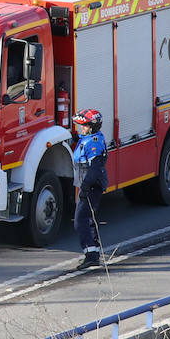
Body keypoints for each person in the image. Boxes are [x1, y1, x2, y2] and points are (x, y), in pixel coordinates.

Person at [71, 108, 108, 268]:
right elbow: (81, 140)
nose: (82, 128)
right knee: (89, 219)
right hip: (89, 185)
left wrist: (85, 188)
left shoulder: (94, 144)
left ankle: (90, 255)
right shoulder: (89, 138)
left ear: (92, 127)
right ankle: (93, 254)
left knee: (80, 220)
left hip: (91, 186)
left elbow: (94, 168)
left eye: (84, 126)